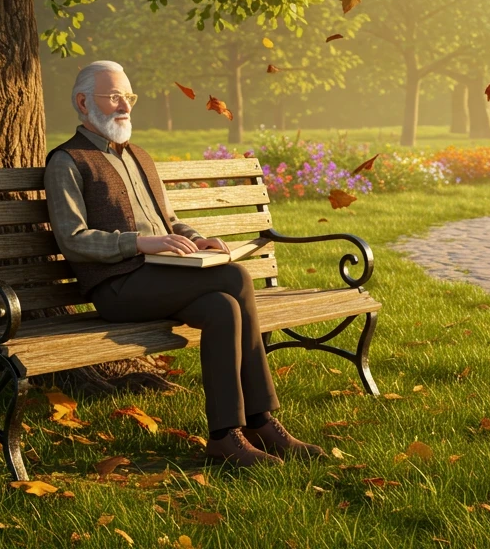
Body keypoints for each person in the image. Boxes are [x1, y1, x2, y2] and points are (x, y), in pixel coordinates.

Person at [43, 60, 324, 466]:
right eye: (114, 96)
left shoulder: (139, 156)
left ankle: (225, 436)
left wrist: (196, 240)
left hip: (162, 278)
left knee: (222, 307)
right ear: (84, 103)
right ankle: (260, 421)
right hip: (116, 286)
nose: (125, 106)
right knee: (235, 277)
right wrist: (138, 242)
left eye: (129, 97)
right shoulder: (67, 161)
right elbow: (73, 240)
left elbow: (169, 221)